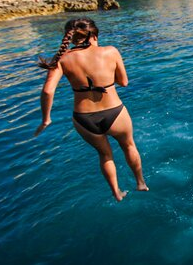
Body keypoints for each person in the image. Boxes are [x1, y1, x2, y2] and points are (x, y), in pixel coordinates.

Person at [36, 18, 148, 201]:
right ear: (94, 34)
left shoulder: (62, 59)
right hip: (115, 112)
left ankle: (116, 193)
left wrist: (46, 119)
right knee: (128, 146)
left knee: (104, 155)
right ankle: (140, 183)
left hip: (84, 118)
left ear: (70, 38)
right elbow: (124, 82)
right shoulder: (110, 51)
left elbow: (48, 91)